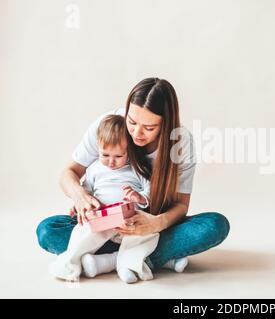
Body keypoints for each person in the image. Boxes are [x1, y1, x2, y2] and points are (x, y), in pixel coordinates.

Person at [36, 78, 230, 277]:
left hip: (151, 228)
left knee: (214, 225)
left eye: (149, 128)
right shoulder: (109, 125)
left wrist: (156, 223)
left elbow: (181, 205)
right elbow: (69, 173)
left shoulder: (180, 143)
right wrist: (80, 197)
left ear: (166, 124)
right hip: (103, 226)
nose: (137, 133)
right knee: (47, 230)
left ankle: (110, 259)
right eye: (132, 121)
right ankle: (147, 259)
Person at [49, 115, 164, 283]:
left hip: (130, 220)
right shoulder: (95, 169)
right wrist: (79, 205)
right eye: (105, 154)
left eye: (118, 156)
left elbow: (151, 192)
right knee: (81, 233)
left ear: (129, 151)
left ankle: (126, 265)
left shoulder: (137, 169)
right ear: (98, 148)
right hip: (102, 220)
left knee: (149, 235)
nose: (111, 162)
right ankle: (70, 264)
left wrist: (139, 197)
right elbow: (85, 193)